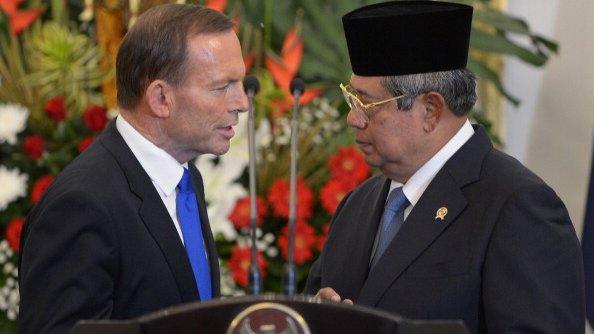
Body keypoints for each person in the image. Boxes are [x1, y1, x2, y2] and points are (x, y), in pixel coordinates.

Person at [305, 1, 585, 333]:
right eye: (352, 99)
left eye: (367, 104)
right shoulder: (357, 205)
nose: (353, 118)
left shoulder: (517, 206)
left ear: (430, 110)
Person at [19, 4, 247, 333]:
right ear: (160, 99)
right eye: (221, 86)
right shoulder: (81, 204)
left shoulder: (185, 178)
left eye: (239, 83)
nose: (241, 102)